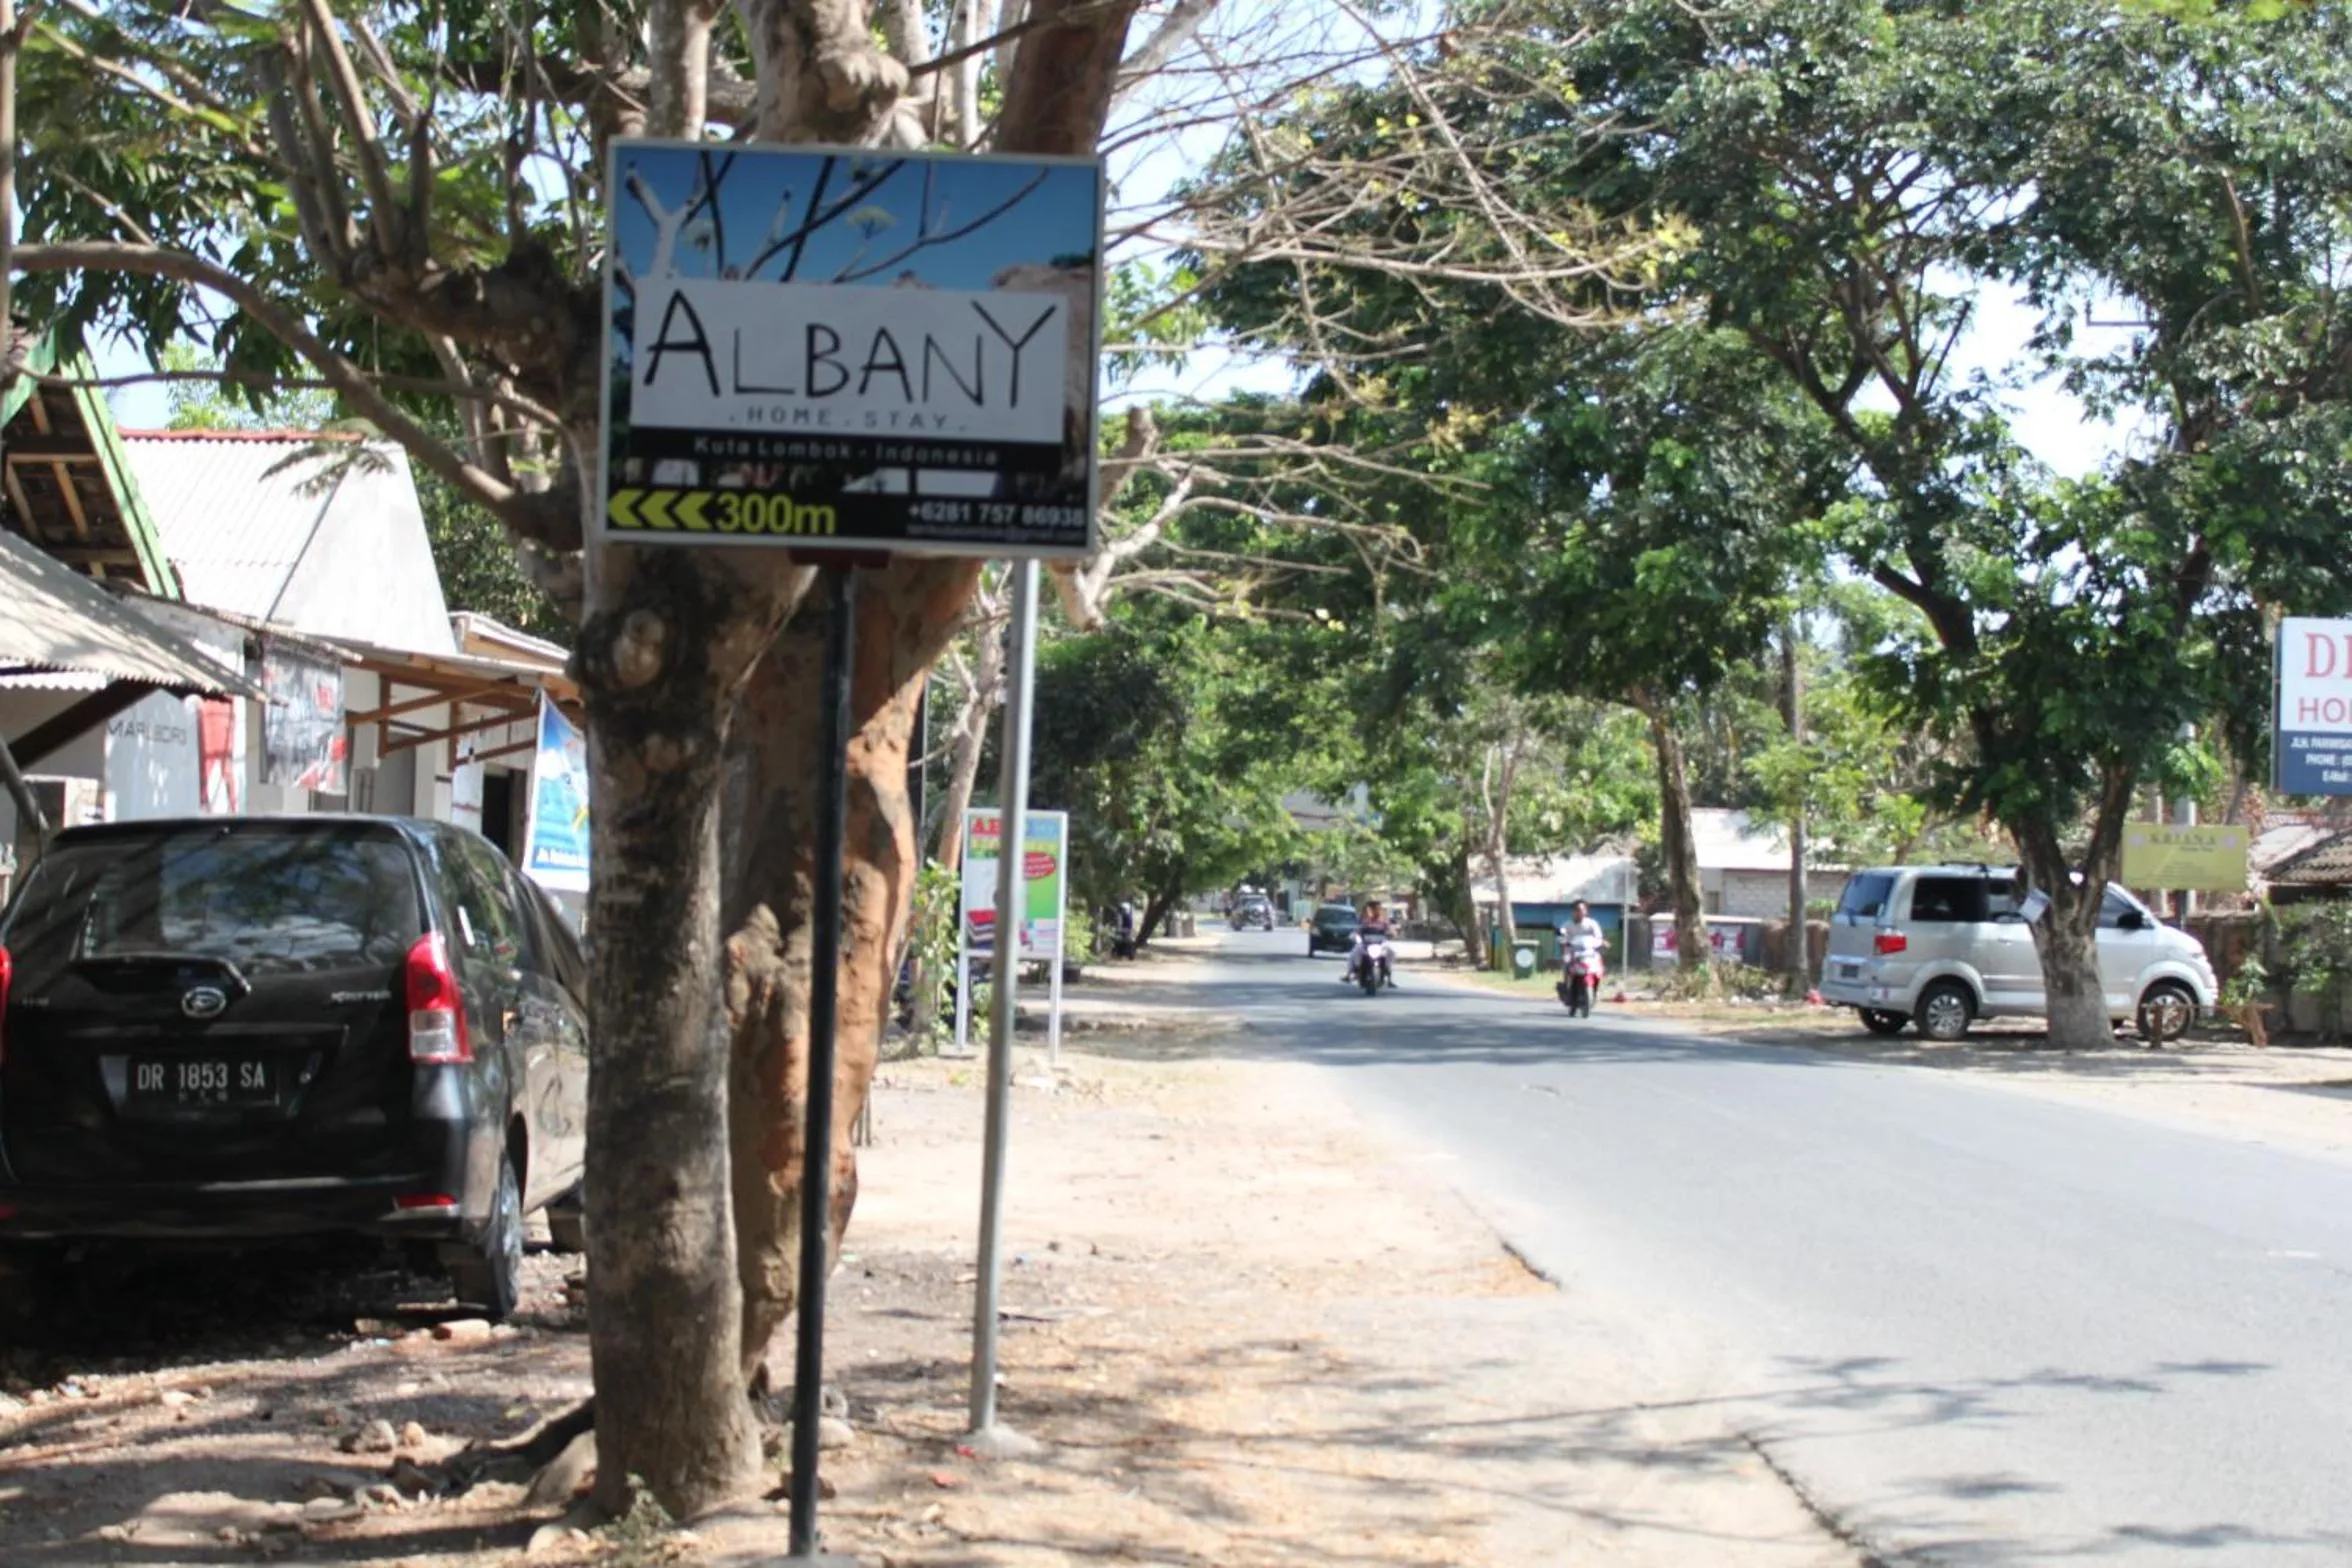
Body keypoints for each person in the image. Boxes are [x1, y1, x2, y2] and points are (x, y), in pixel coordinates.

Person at [1344, 899, 1395, 984]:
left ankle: (1388, 972)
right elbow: (1358, 930)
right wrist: (1354, 935)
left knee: (1392, 952)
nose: (1376, 910)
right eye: (1374, 909)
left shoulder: (1384, 922)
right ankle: (1350, 973)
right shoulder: (1366, 921)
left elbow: (1391, 930)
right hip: (1366, 945)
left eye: (1378, 908)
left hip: (1381, 944)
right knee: (1354, 952)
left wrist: (1392, 933)